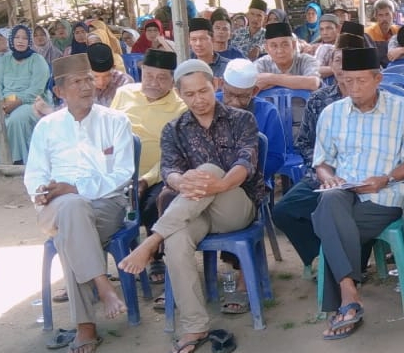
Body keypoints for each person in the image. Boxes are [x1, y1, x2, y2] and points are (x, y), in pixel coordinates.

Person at [118, 59, 263, 351]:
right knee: (177, 240)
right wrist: (180, 182)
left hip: (235, 207)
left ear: (216, 86)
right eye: (190, 94)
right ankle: (195, 326)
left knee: (208, 170)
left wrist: (217, 183)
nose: (199, 99)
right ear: (180, 95)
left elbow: (246, 163)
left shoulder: (241, 119)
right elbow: (169, 170)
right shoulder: (173, 129)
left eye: (204, 91)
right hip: (195, 210)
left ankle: (151, 241)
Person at [308, 47, 404, 340]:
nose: (353, 88)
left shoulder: (402, 109)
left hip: (382, 196)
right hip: (343, 191)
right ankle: (349, 294)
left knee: (327, 225)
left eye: (361, 81)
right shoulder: (332, 113)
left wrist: (385, 179)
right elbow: (321, 161)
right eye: (347, 81)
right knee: (329, 199)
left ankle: (344, 300)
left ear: (378, 79)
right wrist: (330, 178)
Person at [24, 53, 136, 353]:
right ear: (59, 91)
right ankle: (104, 287)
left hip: (105, 206)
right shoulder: (47, 127)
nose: (86, 86)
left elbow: (123, 173)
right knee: (70, 211)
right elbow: (34, 174)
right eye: (77, 82)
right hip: (54, 208)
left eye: (89, 79)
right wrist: (43, 192)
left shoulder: (116, 121)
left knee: (70, 228)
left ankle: (85, 326)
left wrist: (74, 188)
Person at [272, 33, 366, 274]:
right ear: (330, 65)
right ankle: (320, 258)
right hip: (324, 174)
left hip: (364, 175)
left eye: (349, 61)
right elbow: (304, 143)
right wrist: (323, 169)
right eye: (337, 61)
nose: (343, 68)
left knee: (355, 212)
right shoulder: (319, 99)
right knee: (284, 211)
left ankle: (354, 260)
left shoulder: (372, 98)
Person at [109, 49, 186, 287]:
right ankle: (90, 270)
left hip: (158, 172)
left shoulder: (181, 107)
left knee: (159, 200)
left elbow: (173, 152)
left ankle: (156, 256)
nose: (153, 82)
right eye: (148, 75)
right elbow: (107, 133)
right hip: (117, 172)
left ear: (172, 81)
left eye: (161, 77)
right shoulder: (123, 94)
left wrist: (145, 179)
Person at [0, 25, 50, 163]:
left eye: (24, 38)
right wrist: (2, 103)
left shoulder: (37, 60)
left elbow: (36, 90)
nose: (20, 41)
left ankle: (16, 160)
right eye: (17, 37)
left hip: (31, 102)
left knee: (16, 119)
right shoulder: (4, 60)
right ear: (11, 40)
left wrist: (16, 102)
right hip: (5, 101)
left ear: (29, 41)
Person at [220, 59, 286, 185]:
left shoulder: (268, 112)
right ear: (222, 84)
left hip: (252, 181)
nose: (235, 102)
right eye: (229, 94)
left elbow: (276, 157)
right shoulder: (210, 104)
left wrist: (241, 176)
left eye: (242, 96)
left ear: (255, 91)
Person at [254, 22, 321, 91]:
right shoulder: (262, 63)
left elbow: (313, 83)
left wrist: (270, 78)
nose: (280, 51)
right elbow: (250, 86)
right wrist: (294, 81)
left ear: (294, 45)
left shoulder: (306, 60)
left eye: (285, 45)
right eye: (274, 46)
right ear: (267, 48)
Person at [365, 0, 400, 65]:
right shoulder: (367, 34)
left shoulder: (399, 31)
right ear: (375, 17)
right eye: (380, 15)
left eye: (387, 14)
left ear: (393, 15)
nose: (384, 19)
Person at [311, 14, 341, 78]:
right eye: (321, 29)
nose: (325, 32)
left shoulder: (346, 46)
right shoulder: (313, 48)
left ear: (338, 28)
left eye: (329, 28)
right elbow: (313, 70)